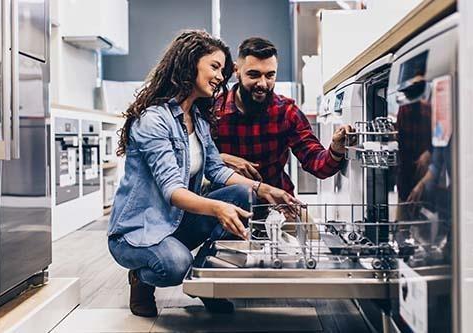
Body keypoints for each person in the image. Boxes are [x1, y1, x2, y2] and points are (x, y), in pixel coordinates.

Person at [107, 30, 297, 318]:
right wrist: (218, 207)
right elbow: (173, 191)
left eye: (222, 69)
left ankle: (208, 283)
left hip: (175, 222)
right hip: (138, 231)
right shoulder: (153, 120)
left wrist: (265, 189)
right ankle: (141, 279)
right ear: (189, 63)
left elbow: (216, 169)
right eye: (214, 67)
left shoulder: (197, 117)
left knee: (244, 193)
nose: (221, 77)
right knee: (175, 265)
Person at [214, 37, 352, 196]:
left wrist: (335, 150)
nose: (263, 84)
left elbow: (316, 163)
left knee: (304, 221)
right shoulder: (214, 110)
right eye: (254, 75)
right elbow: (192, 161)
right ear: (236, 70)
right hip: (226, 205)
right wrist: (221, 159)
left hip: (277, 204)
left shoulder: (286, 112)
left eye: (270, 75)